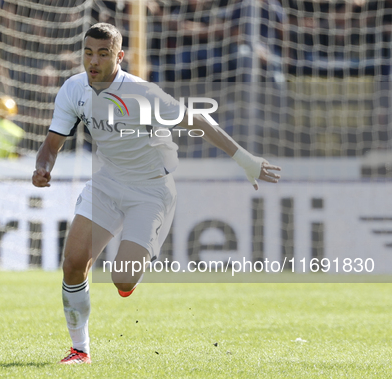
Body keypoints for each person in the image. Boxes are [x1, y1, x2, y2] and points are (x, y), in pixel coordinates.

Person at [32, 22, 281, 364]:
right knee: (74, 265)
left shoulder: (142, 94)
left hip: (150, 190)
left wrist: (245, 159)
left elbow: (199, 120)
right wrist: (43, 168)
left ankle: (131, 273)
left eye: (103, 54)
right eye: (88, 53)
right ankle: (80, 350)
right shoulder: (73, 89)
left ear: (119, 57)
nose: (93, 61)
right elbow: (52, 143)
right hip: (106, 182)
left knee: (122, 278)